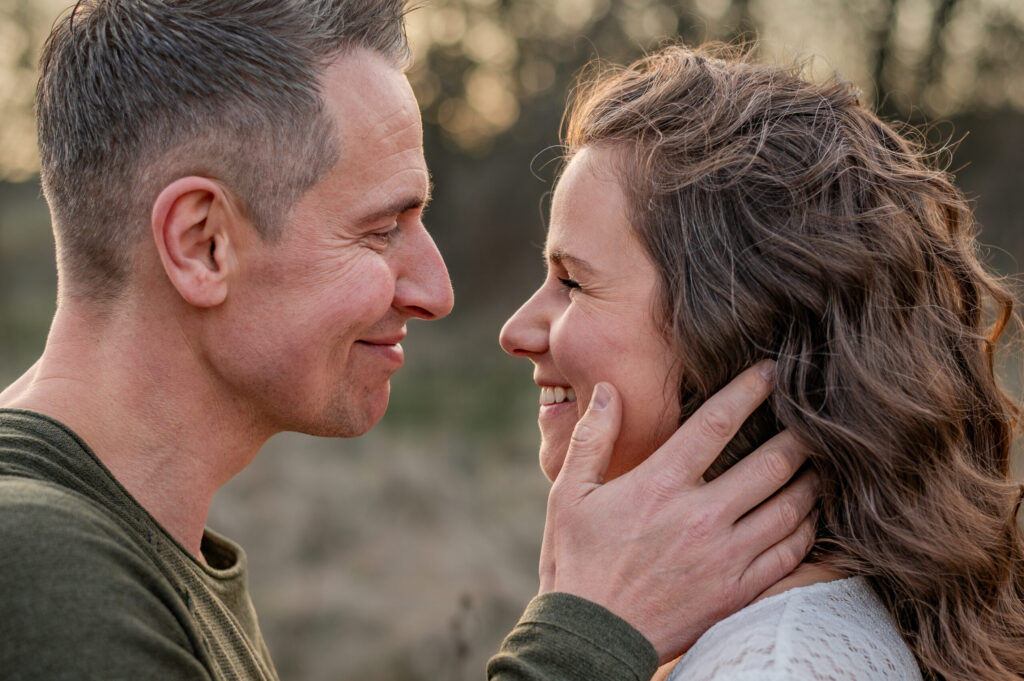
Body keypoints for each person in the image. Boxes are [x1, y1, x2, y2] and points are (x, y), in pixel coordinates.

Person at [0, 4, 819, 680]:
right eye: (381, 229)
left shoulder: (130, 554)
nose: (436, 290)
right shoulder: (42, 569)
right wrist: (591, 635)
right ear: (203, 243)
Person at [500, 43, 1024, 681]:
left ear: (735, 329)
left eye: (573, 282)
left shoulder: (775, 665)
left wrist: (575, 643)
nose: (515, 331)